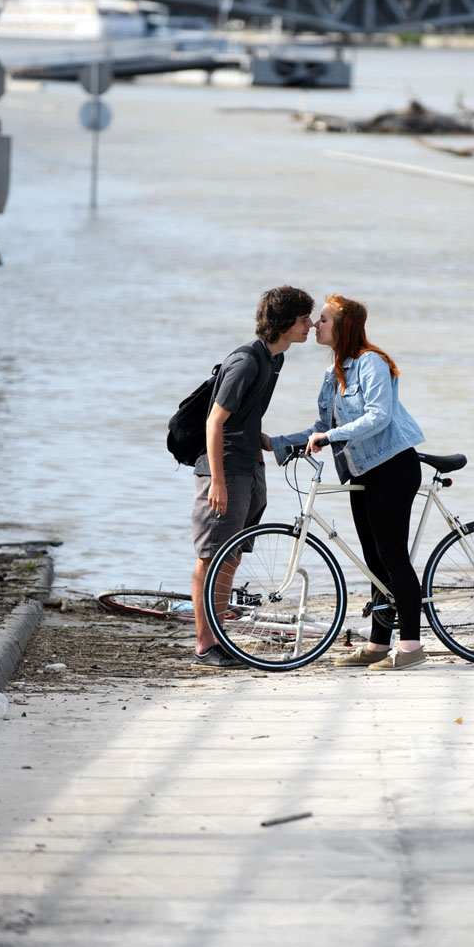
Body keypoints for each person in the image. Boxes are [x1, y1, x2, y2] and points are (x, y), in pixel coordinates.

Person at [269, 294, 427, 671]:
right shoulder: (334, 373)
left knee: (392, 557)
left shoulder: (372, 362)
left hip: (392, 466)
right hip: (364, 471)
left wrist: (330, 439)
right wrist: (275, 442)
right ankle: (376, 645)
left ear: (343, 326)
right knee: (374, 562)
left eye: (322, 319)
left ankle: (411, 648)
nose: (314, 325)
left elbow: (378, 416)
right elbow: (323, 428)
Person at [191, 286, 314, 668]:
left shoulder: (274, 360)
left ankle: (219, 635)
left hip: (249, 468)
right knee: (210, 558)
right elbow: (214, 422)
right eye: (303, 319)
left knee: (232, 557)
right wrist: (218, 481)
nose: (310, 325)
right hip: (224, 470)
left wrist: (269, 445)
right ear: (284, 323)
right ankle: (204, 645)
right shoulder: (246, 362)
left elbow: (244, 418)